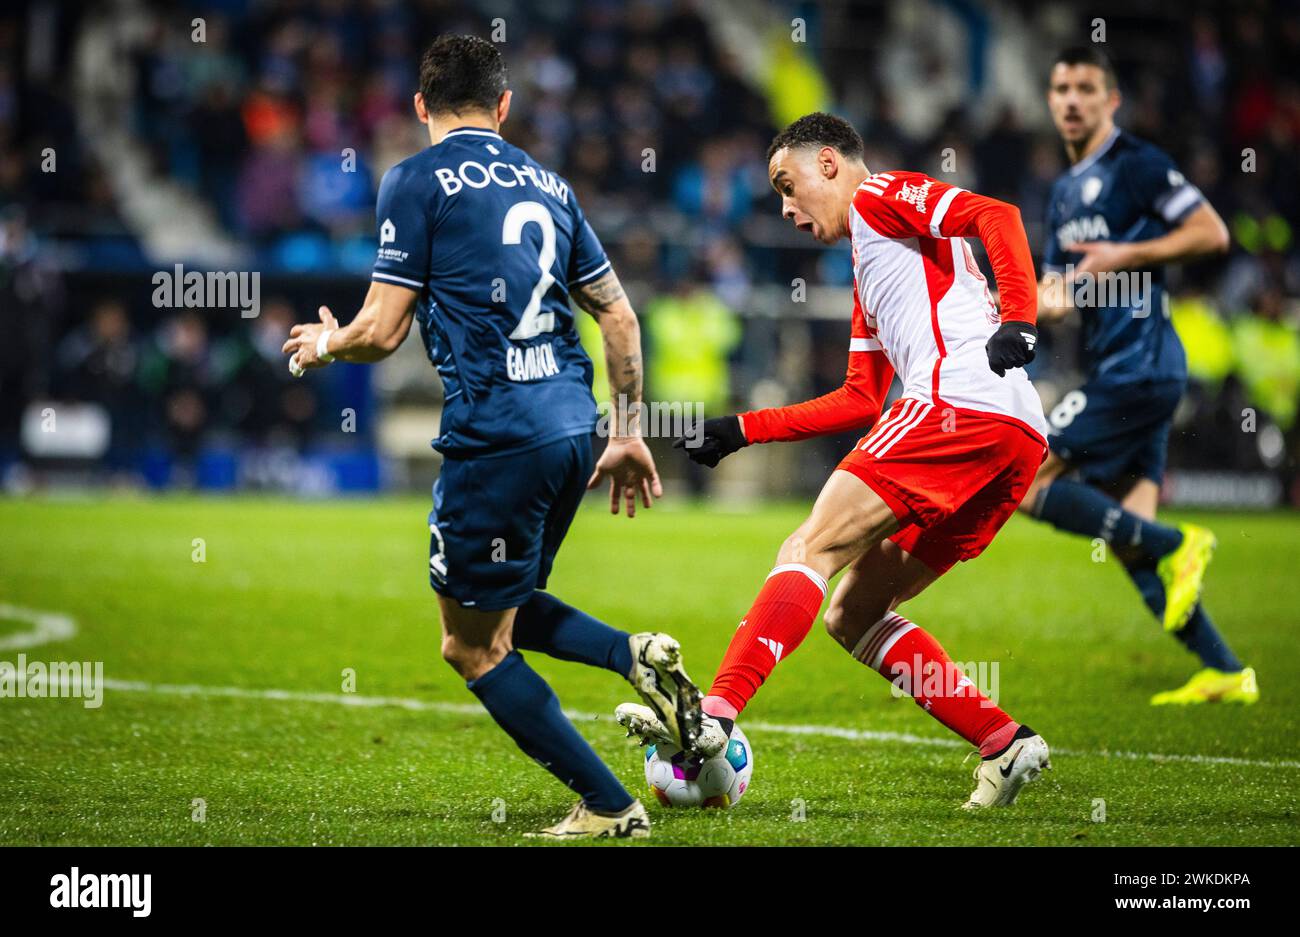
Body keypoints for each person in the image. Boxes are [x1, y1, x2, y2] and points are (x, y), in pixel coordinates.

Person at [282, 35, 703, 839]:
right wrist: (626, 431)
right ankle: (633, 654)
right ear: (505, 106)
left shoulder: (413, 179)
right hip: (575, 425)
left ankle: (610, 805)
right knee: (502, 607)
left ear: (420, 107)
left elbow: (381, 328)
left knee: (468, 645)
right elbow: (617, 313)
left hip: (499, 431)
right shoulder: (550, 184)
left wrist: (327, 341)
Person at [621, 112, 1052, 807]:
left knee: (810, 545)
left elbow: (995, 214)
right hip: (1014, 437)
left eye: (787, 187)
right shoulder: (870, 264)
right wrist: (742, 429)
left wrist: (1021, 319)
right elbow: (859, 399)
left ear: (828, 163)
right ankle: (1004, 741)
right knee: (854, 611)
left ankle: (717, 717)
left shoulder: (882, 196)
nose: (787, 209)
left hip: (957, 406)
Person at [1024, 46, 1255, 706]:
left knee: (1023, 478)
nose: (1071, 99)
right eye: (1061, 87)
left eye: (1085, 88)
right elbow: (1059, 286)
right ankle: (1224, 668)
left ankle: (1179, 540)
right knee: (1126, 540)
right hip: (1122, 368)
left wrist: (1129, 253)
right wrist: (1044, 298)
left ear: (1110, 99)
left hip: (1141, 364)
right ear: (1050, 99)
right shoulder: (1064, 193)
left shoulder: (1138, 165)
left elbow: (1211, 233)